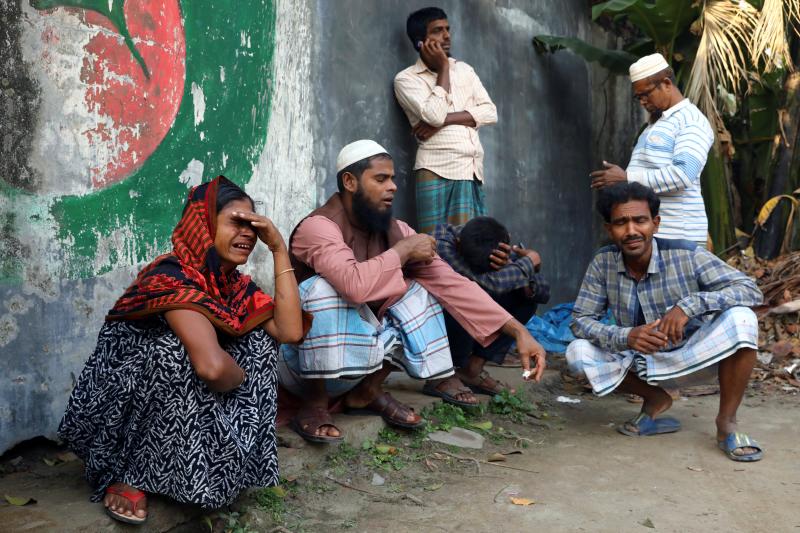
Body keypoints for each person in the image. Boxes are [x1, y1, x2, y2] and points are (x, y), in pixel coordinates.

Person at [58, 177, 306, 524]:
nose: (249, 234)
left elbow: (291, 331)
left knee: (260, 339)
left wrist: (279, 248)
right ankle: (128, 471)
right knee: (173, 352)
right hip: (119, 416)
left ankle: (213, 468)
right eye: (236, 222)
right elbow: (213, 369)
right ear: (204, 224)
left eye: (254, 226)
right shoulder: (172, 276)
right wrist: (242, 375)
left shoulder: (234, 286)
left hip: (187, 405)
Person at [279, 140, 546, 443]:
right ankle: (314, 405)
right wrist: (403, 251)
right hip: (298, 367)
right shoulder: (318, 228)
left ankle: (368, 390)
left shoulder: (396, 230)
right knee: (323, 288)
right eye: (381, 179)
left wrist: (518, 331)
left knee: (418, 290)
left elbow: (453, 284)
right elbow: (354, 286)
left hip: (358, 361)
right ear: (349, 182)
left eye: (393, 179)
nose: (392, 187)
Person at [566, 182, 764, 462]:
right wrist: (627, 336)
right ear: (609, 229)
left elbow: (750, 290)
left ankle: (726, 424)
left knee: (743, 318)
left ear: (655, 224)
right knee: (577, 352)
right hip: (640, 363)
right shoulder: (603, 263)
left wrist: (688, 306)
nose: (632, 230)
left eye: (640, 221)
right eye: (621, 223)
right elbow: (580, 320)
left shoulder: (686, 254)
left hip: (697, 356)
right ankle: (656, 398)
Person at [590, 53, 714, 248]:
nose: (642, 102)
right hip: (654, 236)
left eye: (646, 94)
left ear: (666, 84)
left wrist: (627, 178)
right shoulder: (656, 123)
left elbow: (682, 174)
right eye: (638, 97)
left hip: (677, 236)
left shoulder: (691, 120)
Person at [394, 7, 497, 234]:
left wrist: (444, 122)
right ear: (421, 42)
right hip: (437, 169)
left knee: (472, 248)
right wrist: (443, 69)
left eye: (448, 29)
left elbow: (490, 112)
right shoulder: (406, 79)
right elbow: (434, 114)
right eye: (438, 31)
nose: (447, 36)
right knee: (439, 249)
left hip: (471, 170)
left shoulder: (465, 70)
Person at [432, 216, 550, 394]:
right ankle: (445, 373)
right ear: (458, 244)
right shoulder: (442, 243)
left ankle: (472, 369)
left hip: (473, 318)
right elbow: (489, 283)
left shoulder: (496, 246)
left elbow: (543, 292)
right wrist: (529, 263)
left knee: (526, 298)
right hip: (442, 322)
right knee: (467, 295)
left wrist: (515, 268)